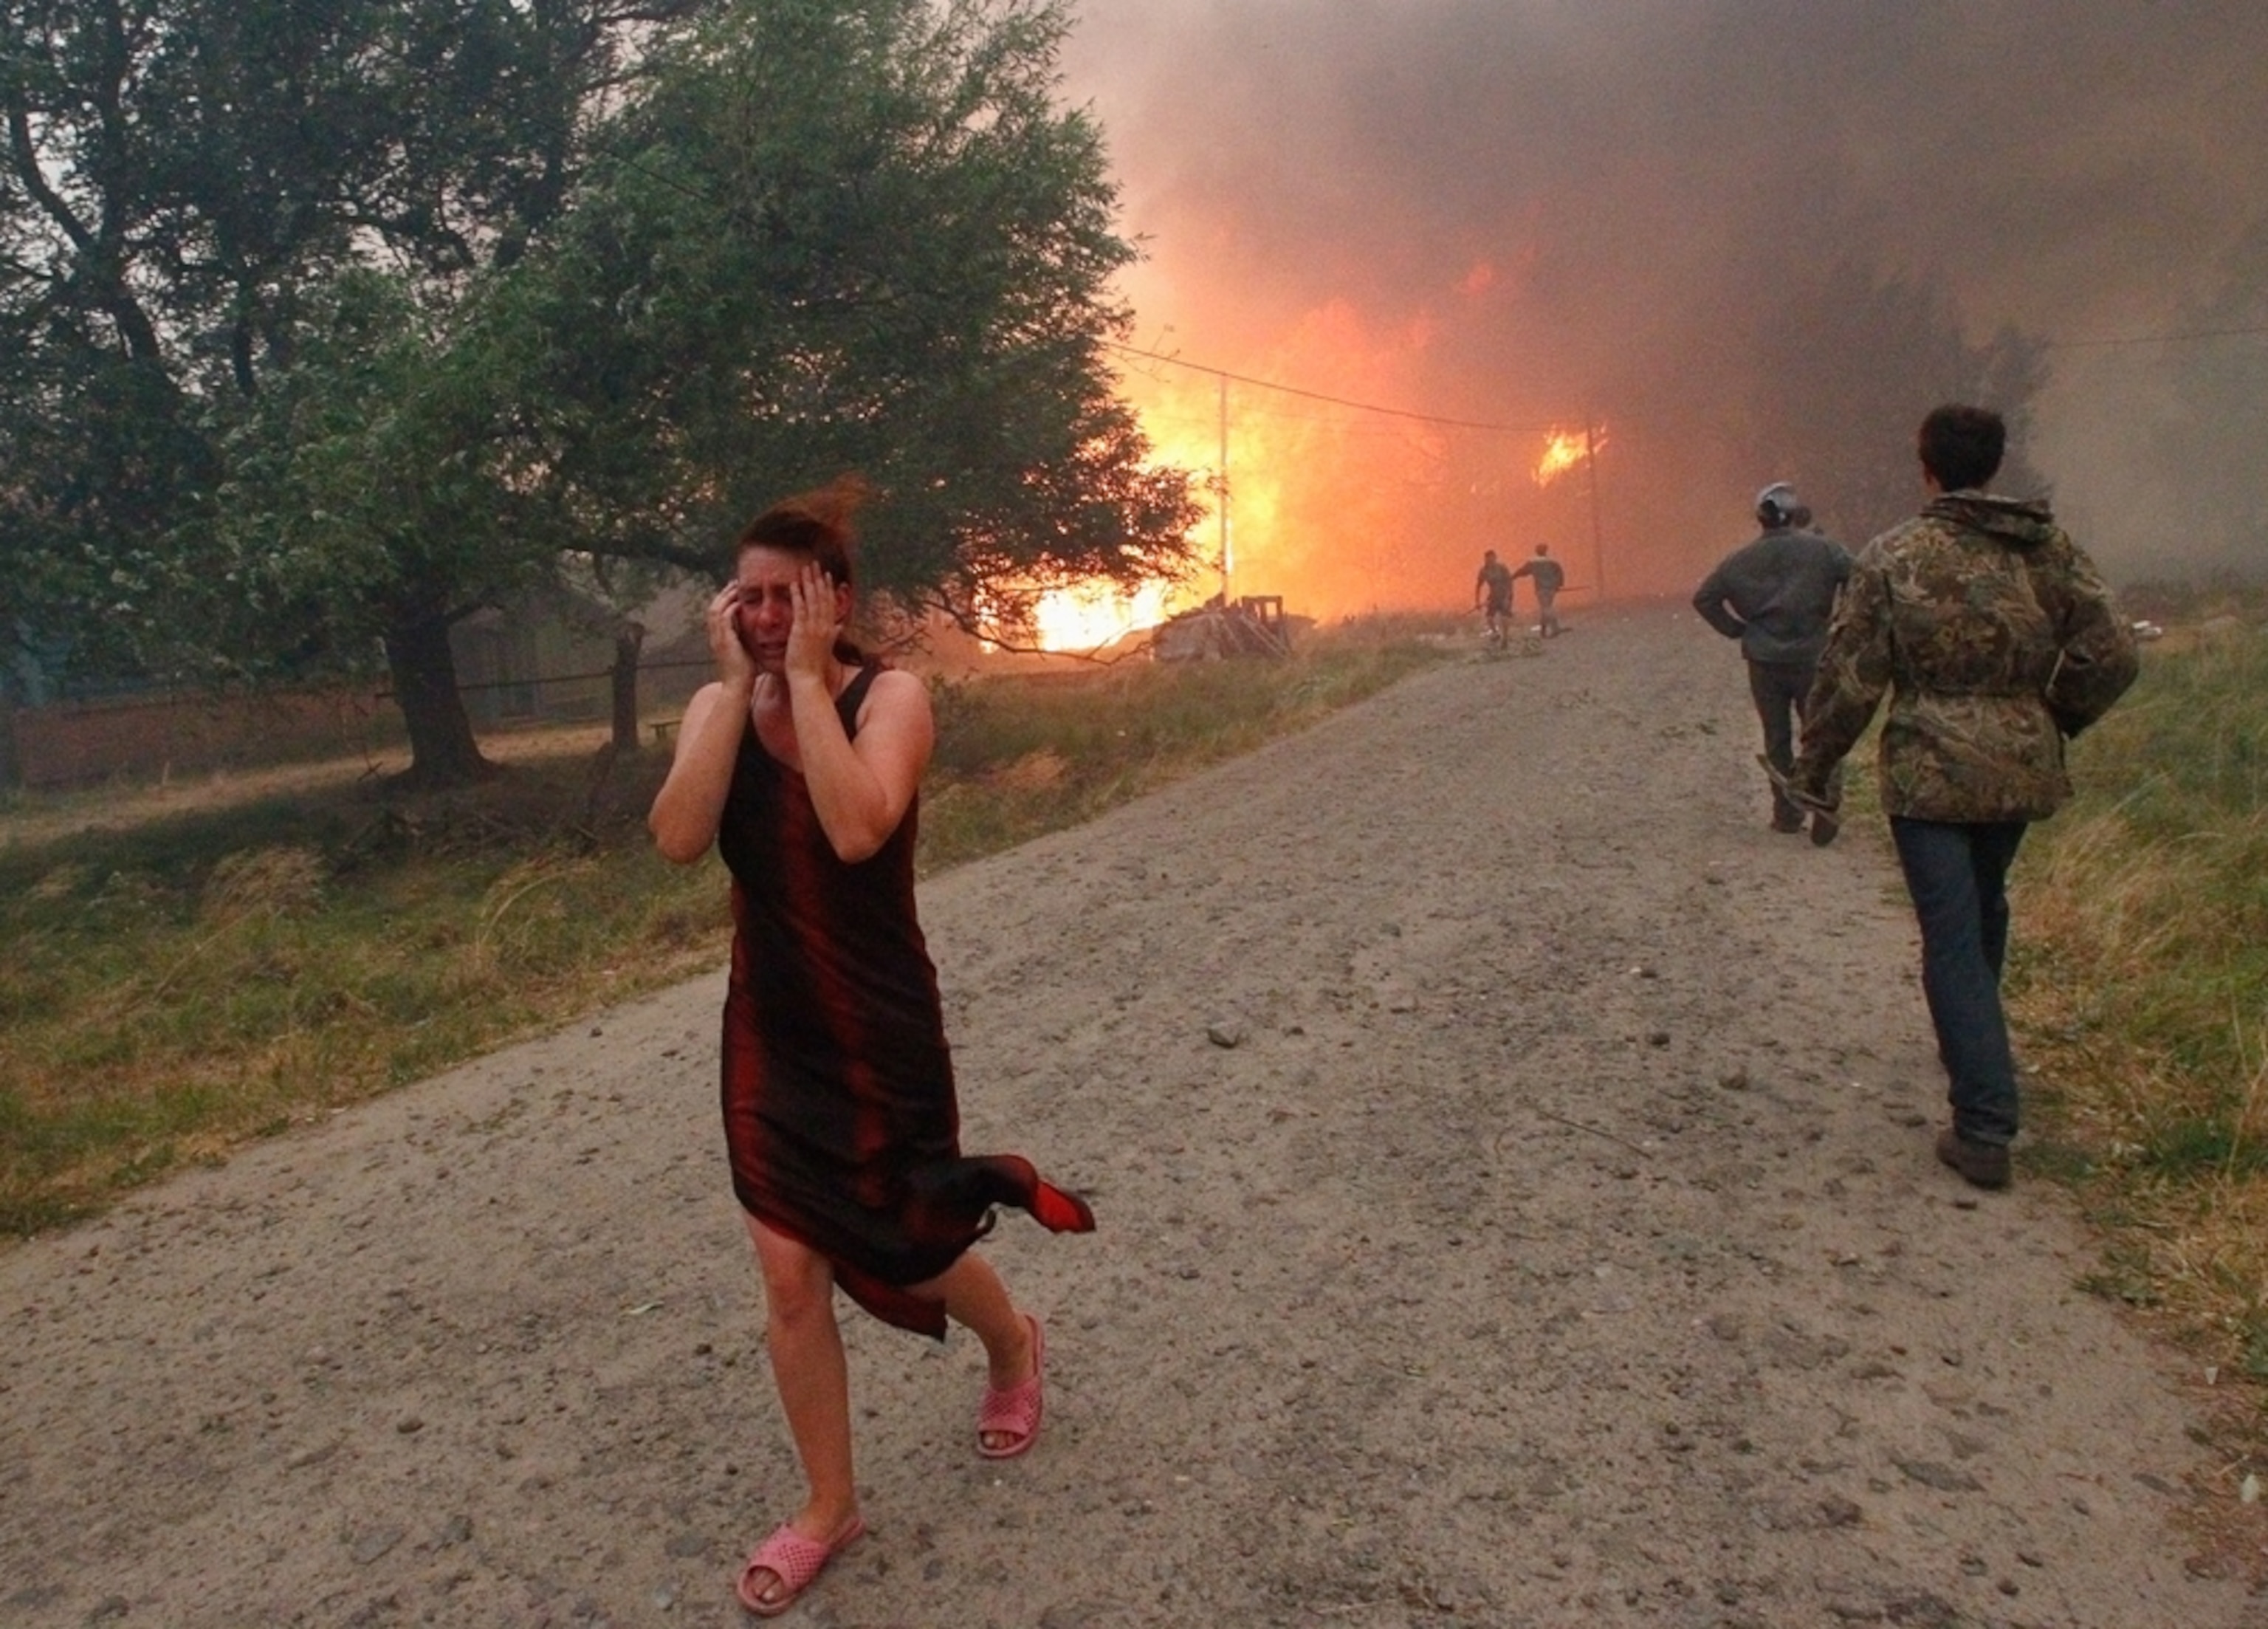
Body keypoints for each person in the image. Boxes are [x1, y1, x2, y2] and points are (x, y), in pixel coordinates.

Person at [648, 477, 1096, 1617]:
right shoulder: (716, 706)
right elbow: (678, 839)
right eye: (745, 597)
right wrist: (734, 695)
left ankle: (1013, 1344)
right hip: (769, 1029)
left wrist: (805, 685)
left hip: (878, 1024)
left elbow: (855, 828)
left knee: (908, 1238)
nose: (762, 617)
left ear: (836, 599)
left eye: (785, 597)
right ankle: (828, 1504)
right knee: (790, 1270)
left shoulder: (890, 698)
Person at [1786, 406, 2137, 1191]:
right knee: (1983, 907)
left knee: (1951, 935)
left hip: (1931, 774)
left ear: (1928, 469)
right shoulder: (2047, 548)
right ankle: (1970, 1043)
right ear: (1993, 464)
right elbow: (2113, 649)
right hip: (2018, 767)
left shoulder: (1894, 555)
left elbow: (1851, 677)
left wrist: (1816, 765)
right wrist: (2053, 716)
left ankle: (1983, 1125)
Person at [1692, 481, 1853, 841]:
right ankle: (1826, 800)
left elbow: (1705, 598)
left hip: (1764, 660)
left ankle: (1787, 813)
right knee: (1821, 731)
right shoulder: (1825, 550)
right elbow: (1860, 577)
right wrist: (1844, 620)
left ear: (1760, 518)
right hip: (1814, 655)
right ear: (1795, 514)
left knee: (1777, 737)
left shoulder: (1739, 561)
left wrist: (1737, 629)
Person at [1510, 543, 1566, 637]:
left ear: (1537, 551)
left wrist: (1512, 578)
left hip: (1541, 589)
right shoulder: (1552, 562)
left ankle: (1555, 628)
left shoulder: (1533, 562)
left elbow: (1522, 571)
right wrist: (1558, 585)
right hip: (1552, 589)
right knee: (1546, 608)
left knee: (1546, 608)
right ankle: (1543, 630)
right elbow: (1560, 574)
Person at [1474, 548, 1515, 645]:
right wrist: (1477, 602)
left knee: (1504, 617)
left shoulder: (1502, 568)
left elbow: (1509, 583)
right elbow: (1478, 586)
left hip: (1505, 594)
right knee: (1489, 617)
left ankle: (1505, 639)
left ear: (1495, 558)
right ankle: (1496, 633)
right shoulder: (1484, 571)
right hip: (1493, 596)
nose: (1490, 561)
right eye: (1488, 559)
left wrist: (1507, 598)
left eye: (1492, 559)